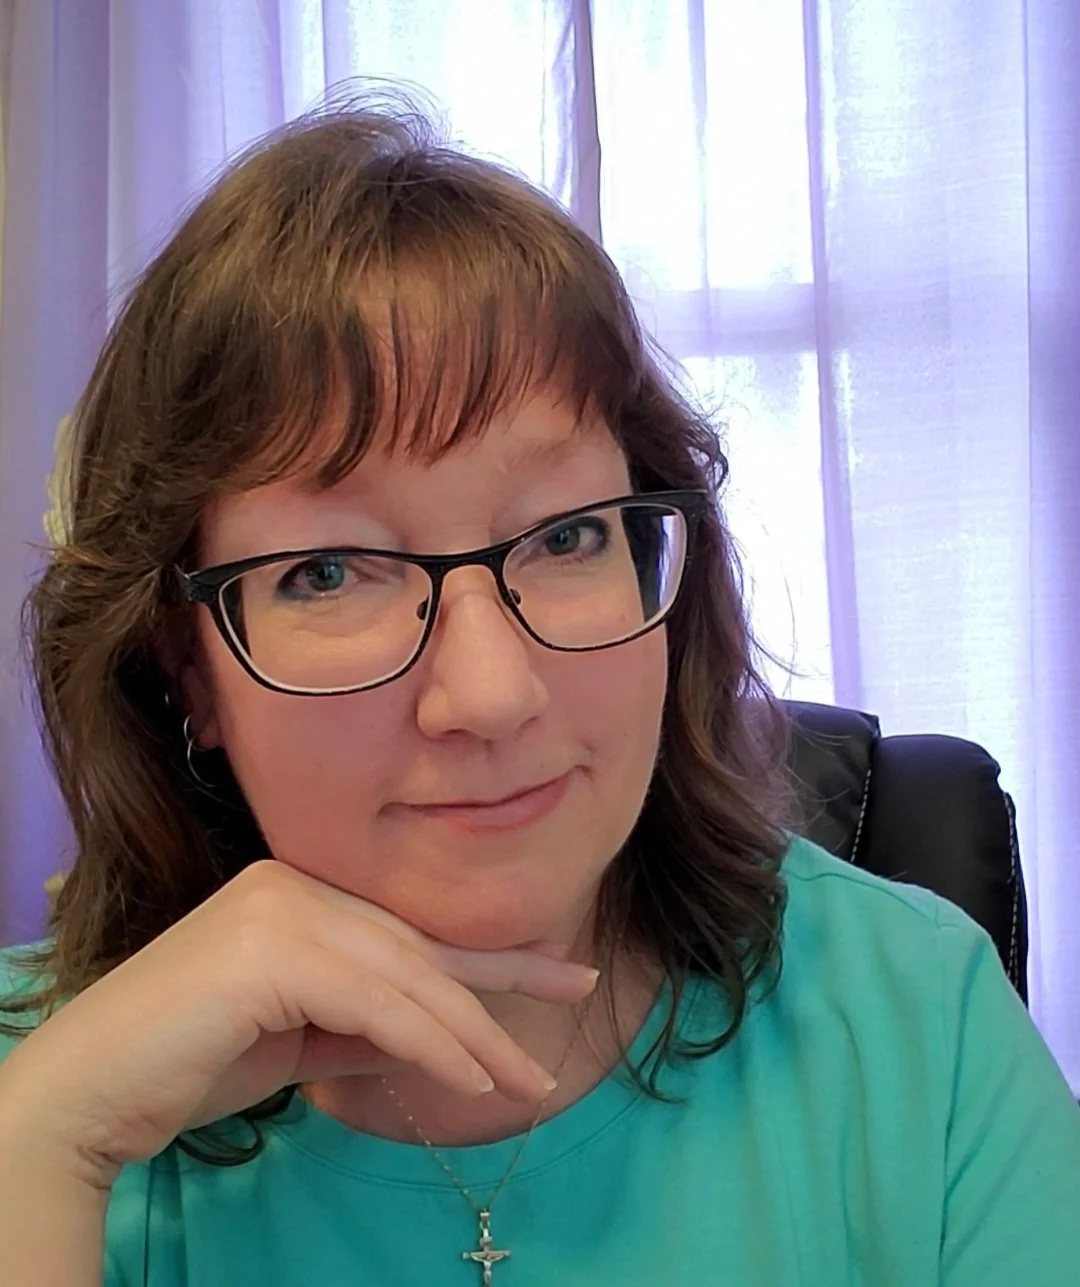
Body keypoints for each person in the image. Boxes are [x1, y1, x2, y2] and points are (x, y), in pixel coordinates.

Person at [0, 90, 1078, 1287]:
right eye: (326, 571)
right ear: (185, 667)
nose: (489, 694)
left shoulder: (913, 1021)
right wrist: (46, 1151)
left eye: (566, 538)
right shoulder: (46, 1095)